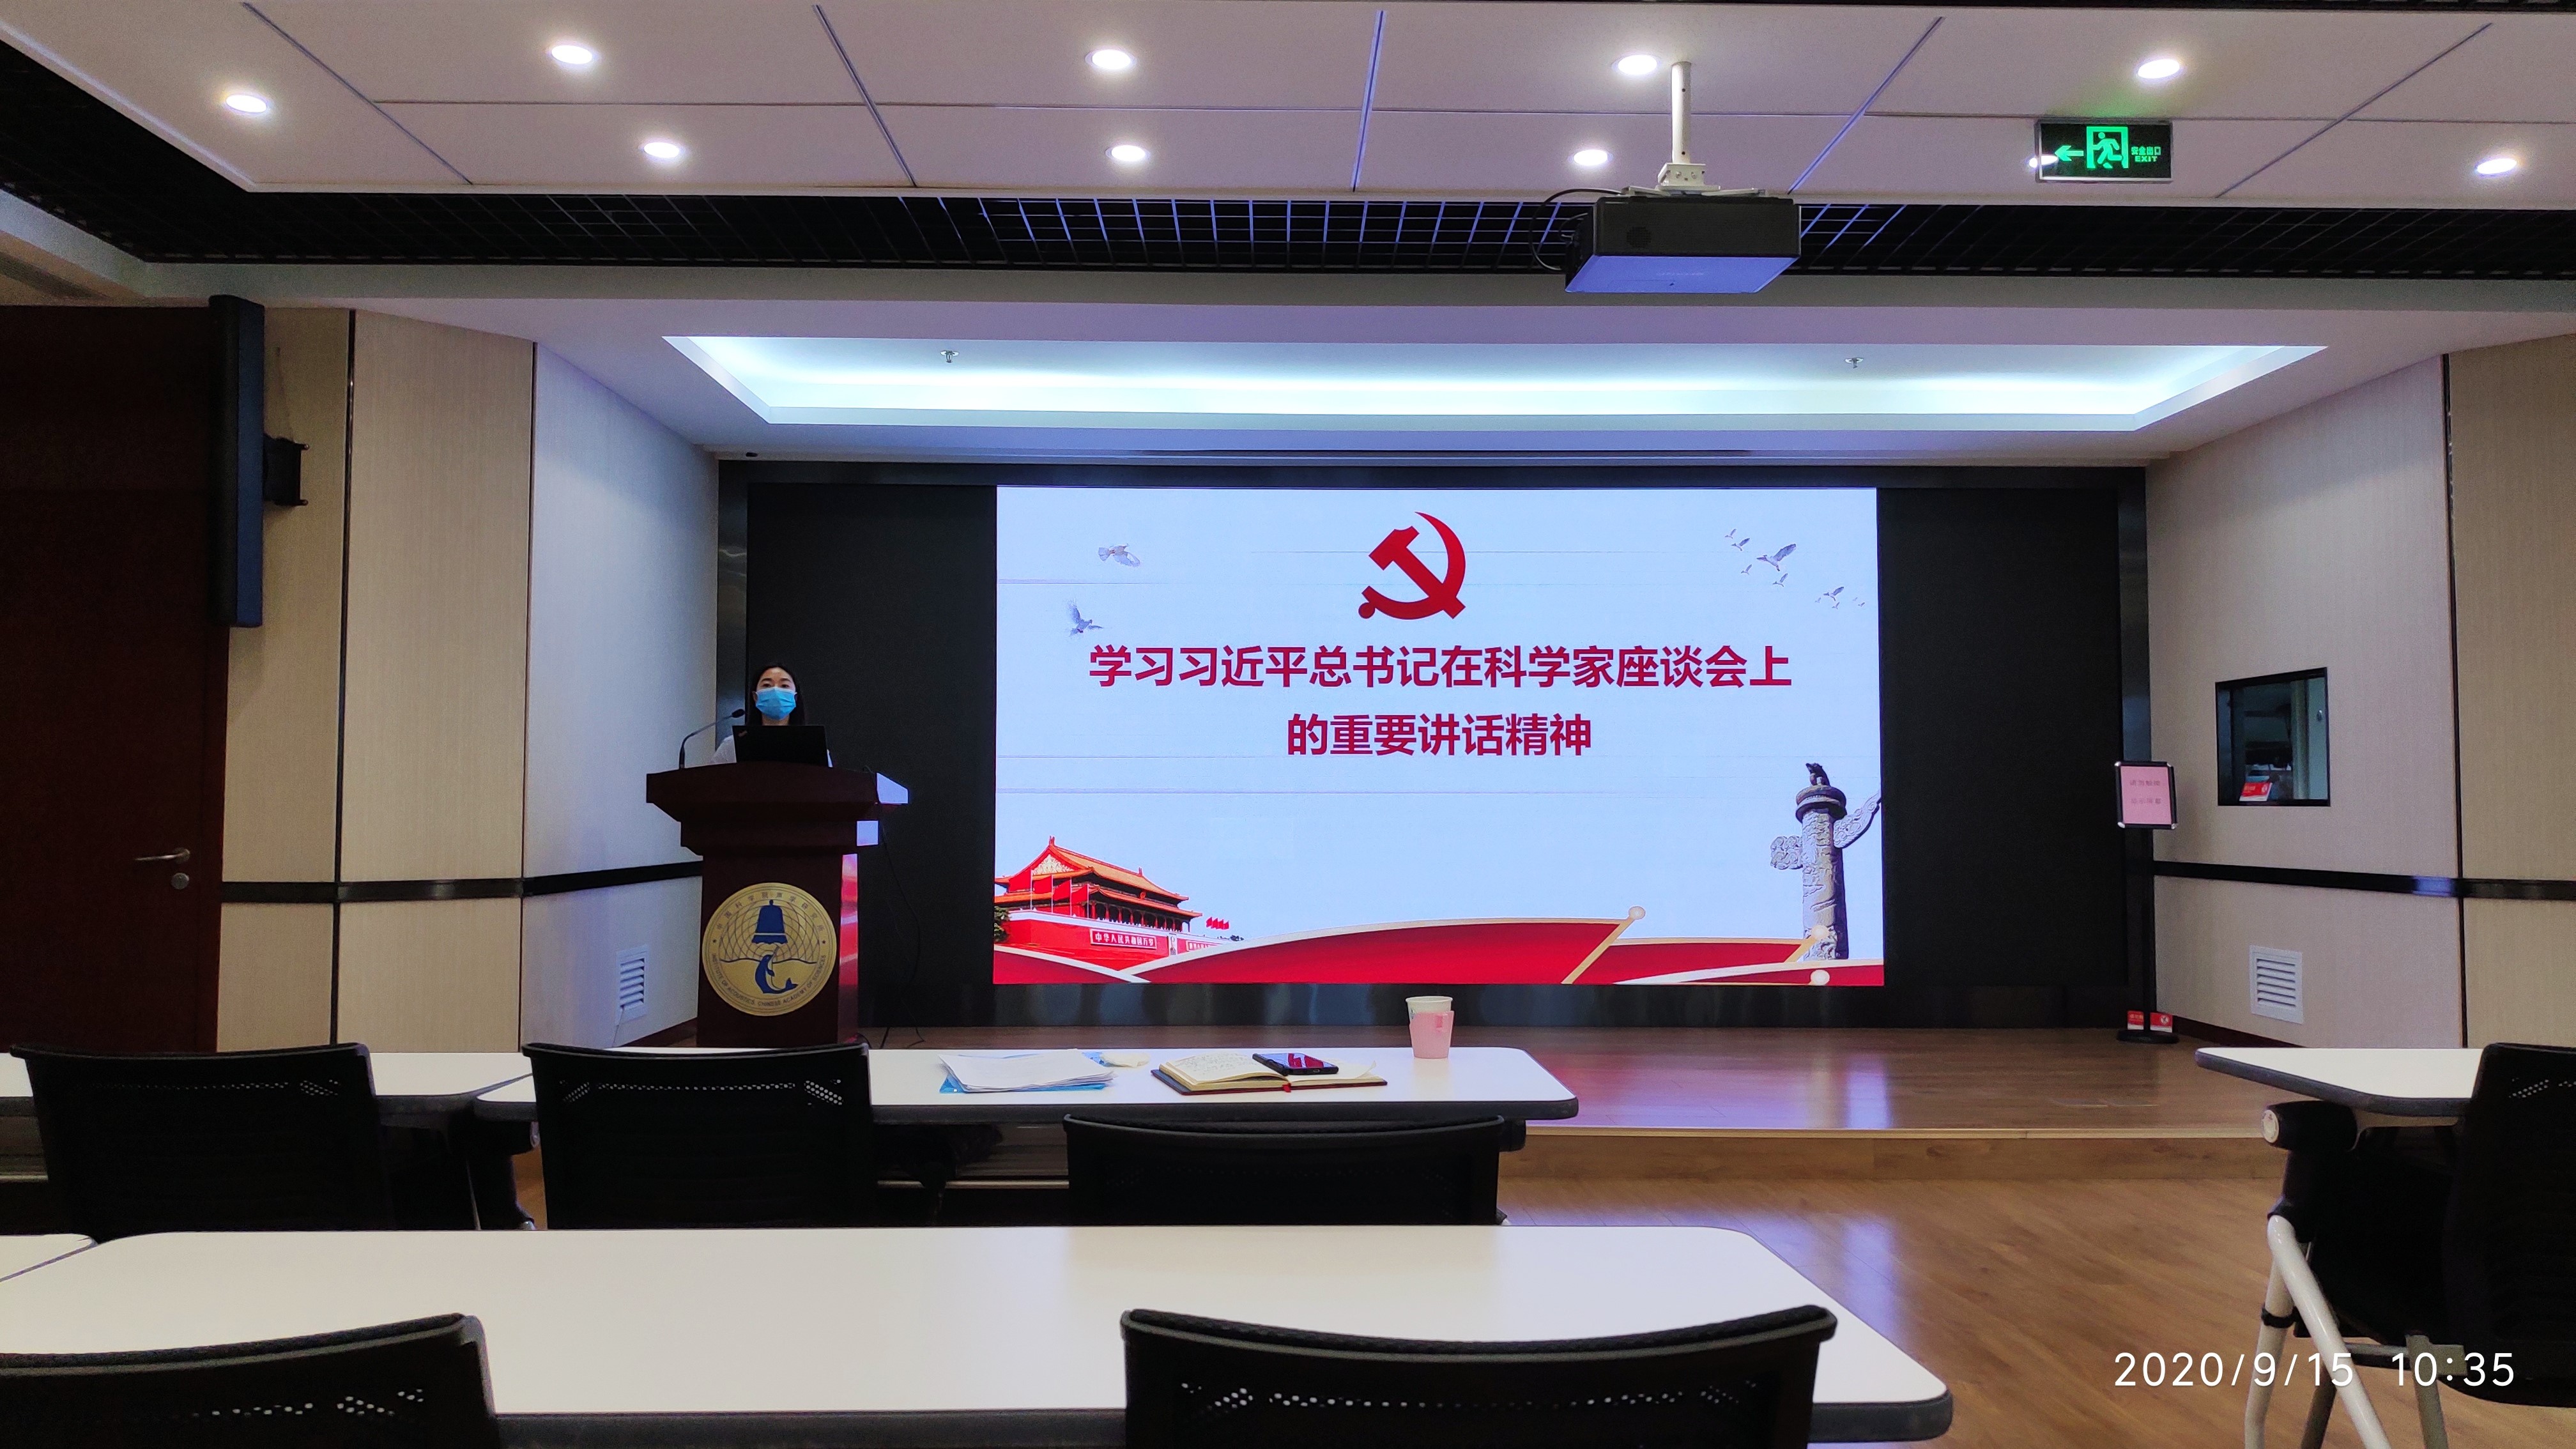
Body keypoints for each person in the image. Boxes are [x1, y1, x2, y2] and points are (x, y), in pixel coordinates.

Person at [711, 663, 828, 763]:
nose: (775, 690)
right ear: (755, 697)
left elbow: (828, 781)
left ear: (795, 698)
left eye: (784, 685)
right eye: (767, 685)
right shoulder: (731, 746)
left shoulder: (814, 748)